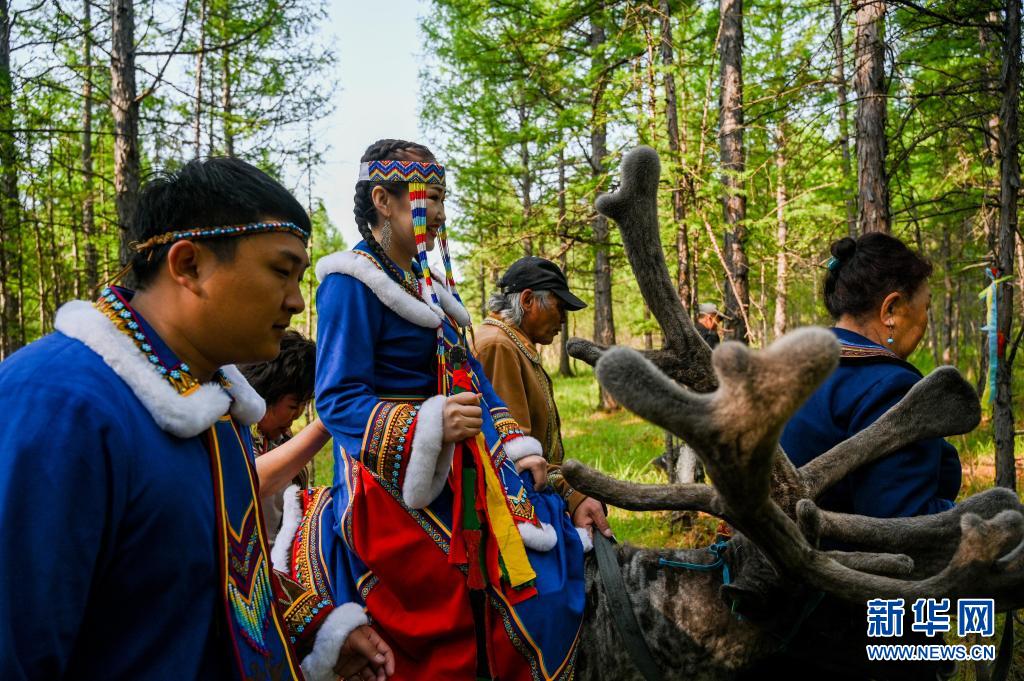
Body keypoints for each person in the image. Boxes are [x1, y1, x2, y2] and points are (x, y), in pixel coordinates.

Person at [0, 158, 392, 681]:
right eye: (281, 271)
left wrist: (316, 627)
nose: (297, 301)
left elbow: (216, 570)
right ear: (188, 266)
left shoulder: (214, 405)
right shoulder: (58, 404)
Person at [287, 139, 585, 681]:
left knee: (547, 538)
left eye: (444, 199)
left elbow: (471, 378)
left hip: (463, 462)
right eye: (432, 198)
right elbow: (336, 401)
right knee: (456, 591)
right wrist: (429, 423)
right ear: (384, 199)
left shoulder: (429, 288)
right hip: (388, 476)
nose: (443, 214)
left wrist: (518, 447)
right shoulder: (348, 283)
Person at [780, 233, 960, 518]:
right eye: (925, 306)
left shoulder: (792, 365)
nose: (926, 319)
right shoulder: (890, 388)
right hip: (841, 560)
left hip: (768, 555)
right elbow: (903, 525)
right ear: (891, 309)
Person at [472, 256, 611, 539]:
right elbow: (517, 457)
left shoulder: (511, 343)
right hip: (518, 516)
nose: (562, 319)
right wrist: (573, 497)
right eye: (559, 307)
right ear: (526, 300)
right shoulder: (499, 346)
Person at [239, 329, 330, 547]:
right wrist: (327, 423)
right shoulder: (233, 431)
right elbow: (253, 480)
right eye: (292, 405)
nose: (297, 414)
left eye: (304, 404)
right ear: (267, 391)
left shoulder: (281, 440)